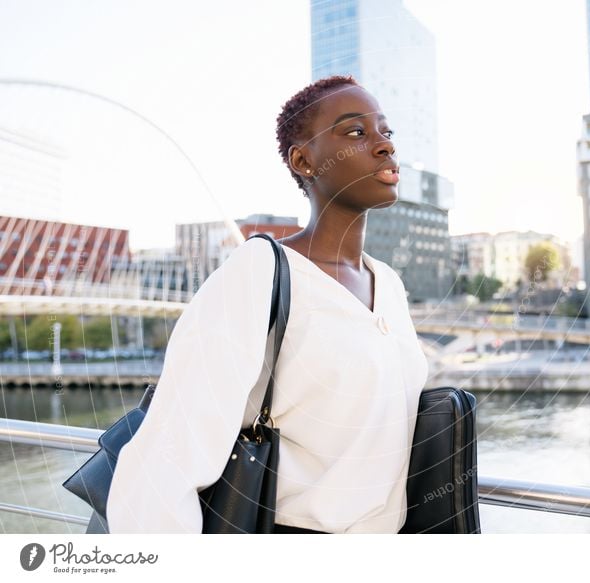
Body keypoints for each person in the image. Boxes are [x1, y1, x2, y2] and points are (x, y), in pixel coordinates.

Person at [105, 75, 429, 534]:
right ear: (304, 160)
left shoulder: (389, 285)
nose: (383, 146)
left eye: (386, 132)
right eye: (356, 132)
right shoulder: (260, 270)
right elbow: (167, 459)